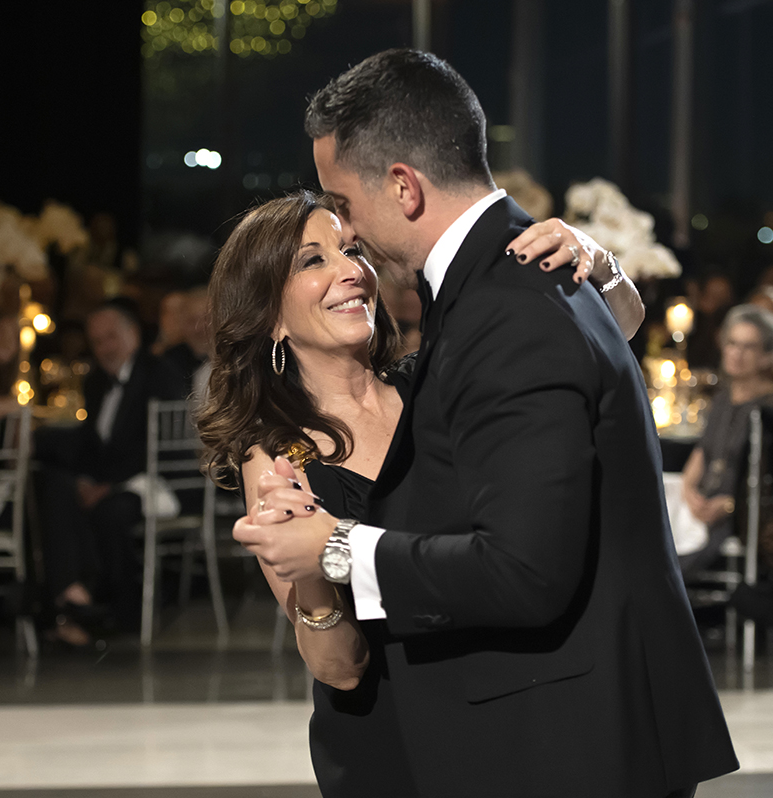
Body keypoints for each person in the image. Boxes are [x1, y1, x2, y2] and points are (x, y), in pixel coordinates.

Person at [219, 49, 735, 798]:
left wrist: (602, 265)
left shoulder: (468, 334)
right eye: (313, 259)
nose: (352, 251)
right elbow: (340, 662)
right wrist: (316, 573)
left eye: (344, 215)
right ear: (269, 314)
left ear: (403, 184)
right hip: (416, 738)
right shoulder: (286, 453)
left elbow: (525, 540)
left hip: (535, 729)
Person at [36, 299, 187, 646]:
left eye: (110, 337)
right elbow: (92, 444)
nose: (103, 348)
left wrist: (108, 485)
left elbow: (159, 445)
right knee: (59, 490)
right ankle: (76, 598)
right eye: (97, 340)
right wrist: (87, 480)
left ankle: (120, 611)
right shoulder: (96, 382)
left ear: (132, 333)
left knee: (110, 512)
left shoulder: (159, 374)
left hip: (156, 481)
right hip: (114, 480)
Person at [678, 305, 773, 577]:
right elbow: (702, 453)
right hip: (702, 500)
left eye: (748, 347)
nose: (737, 354)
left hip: (738, 516)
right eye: (732, 344)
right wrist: (690, 491)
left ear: (766, 357)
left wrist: (727, 505)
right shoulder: (722, 400)